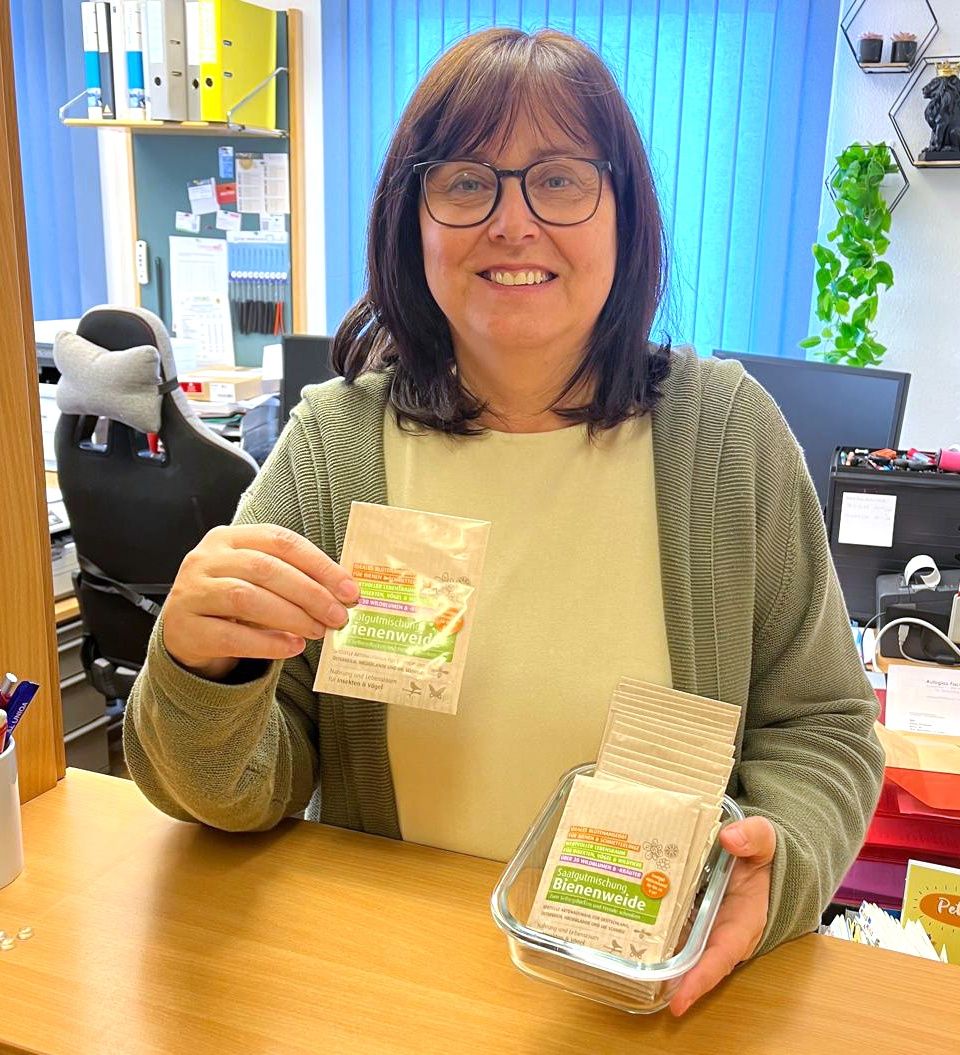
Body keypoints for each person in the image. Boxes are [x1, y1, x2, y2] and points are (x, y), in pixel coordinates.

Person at [125, 27, 884, 1016]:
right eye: (465, 181)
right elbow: (235, 787)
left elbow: (821, 726)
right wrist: (199, 672)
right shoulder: (331, 447)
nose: (512, 223)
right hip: (390, 994)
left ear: (623, 214)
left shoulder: (727, 439)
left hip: (644, 1004)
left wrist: (771, 868)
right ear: (414, 217)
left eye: (560, 180)